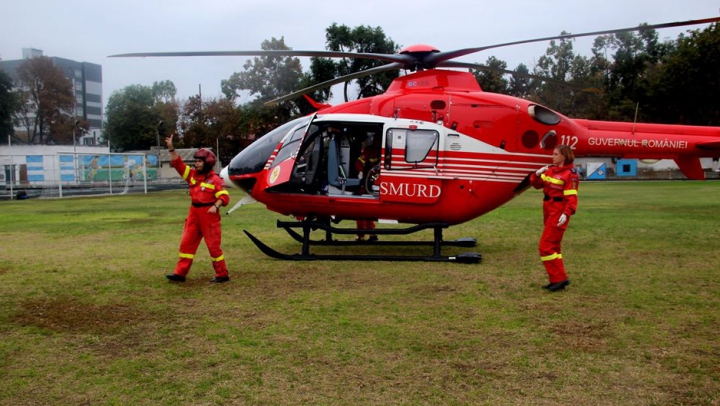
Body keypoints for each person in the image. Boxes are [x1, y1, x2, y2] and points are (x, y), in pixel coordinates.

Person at [165, 134, 231, 283]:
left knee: (213, 247)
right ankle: (180, 273)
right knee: (186, 243)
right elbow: (178, 164)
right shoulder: (192, 175)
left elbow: (224, 197)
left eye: (199, 161)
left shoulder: (216, 180)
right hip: (194, 214)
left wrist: (216, 206)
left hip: (209, 215)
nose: (196, 164)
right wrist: (171, 148)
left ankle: (222, 274)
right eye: (196, 161)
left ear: (207, 162)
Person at [529, 145, 579, 292]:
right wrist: (536, 174)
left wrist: (566, 213)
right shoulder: (551, 170)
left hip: (558, 212)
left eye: (555, 154)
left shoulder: (570, 174)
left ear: (564, 156)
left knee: (546, 246)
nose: (552, 156)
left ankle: (559, 279)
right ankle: (558, 278)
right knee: (554, 247)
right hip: (548, 209)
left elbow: (572, 197)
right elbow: (537, 185)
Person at [354, 134, 381, 241]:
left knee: (367, 210)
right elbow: (359, 161)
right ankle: (363, 234)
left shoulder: (385, 152)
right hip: (367, 182)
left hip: (378, 183)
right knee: (361, 209)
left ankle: (369, 233)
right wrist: (360, 171)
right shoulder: (368, 151)